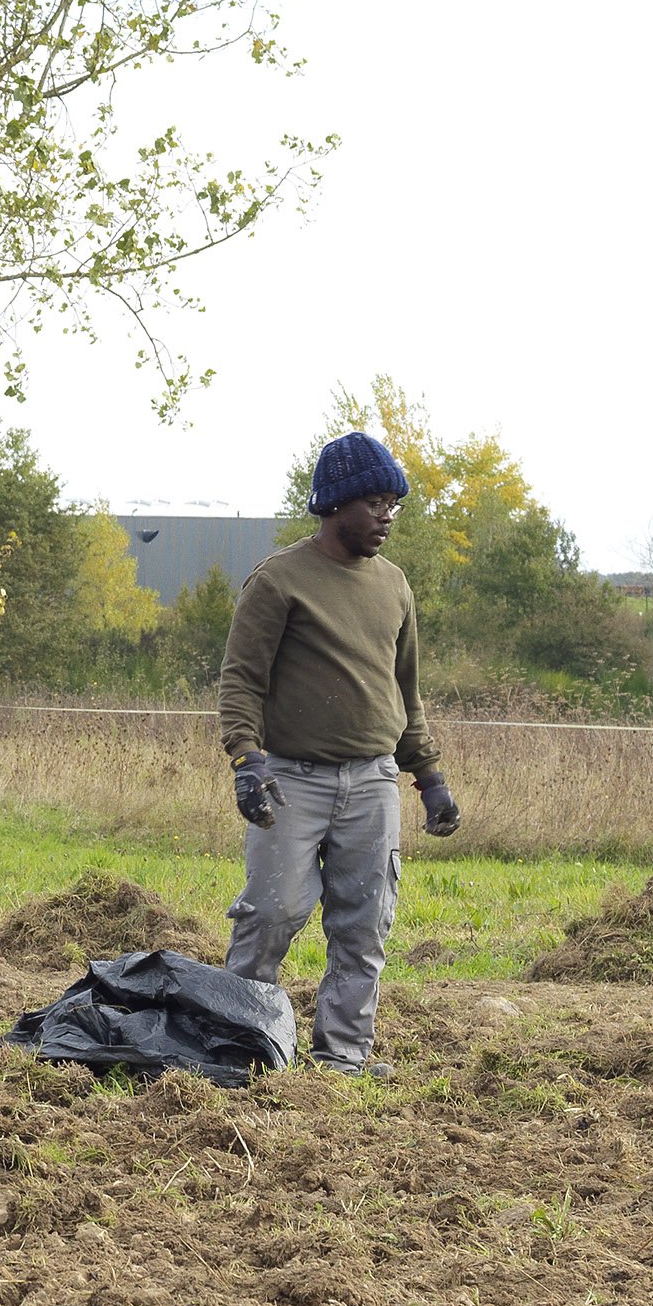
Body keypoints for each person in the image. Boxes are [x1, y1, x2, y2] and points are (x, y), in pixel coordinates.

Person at [215, 430, 460, 1073]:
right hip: (292, 778)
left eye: (393, 505)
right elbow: (241, 679)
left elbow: (404, 691)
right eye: (375, 502)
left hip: (374, 780)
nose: (386, 516)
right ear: (335, 505)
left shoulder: (395, 586)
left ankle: (343, 1057)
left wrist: (428, 776)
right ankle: (241, 1044)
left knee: (364, 922)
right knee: (272, 912)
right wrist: (247, 761)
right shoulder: (278, 582)